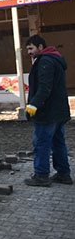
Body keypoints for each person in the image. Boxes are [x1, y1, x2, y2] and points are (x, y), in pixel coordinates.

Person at [24, 35, 72, 186]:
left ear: (40, 47)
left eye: (31, 48)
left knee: (41, 143)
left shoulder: (45, 61)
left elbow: (45, 87)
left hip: (47, 113)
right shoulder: (54, 59)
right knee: (58, 143)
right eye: (27, 49)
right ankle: (64, 174)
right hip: (59, 112)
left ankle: (42, 175)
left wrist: (33, 105)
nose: (29, 52)